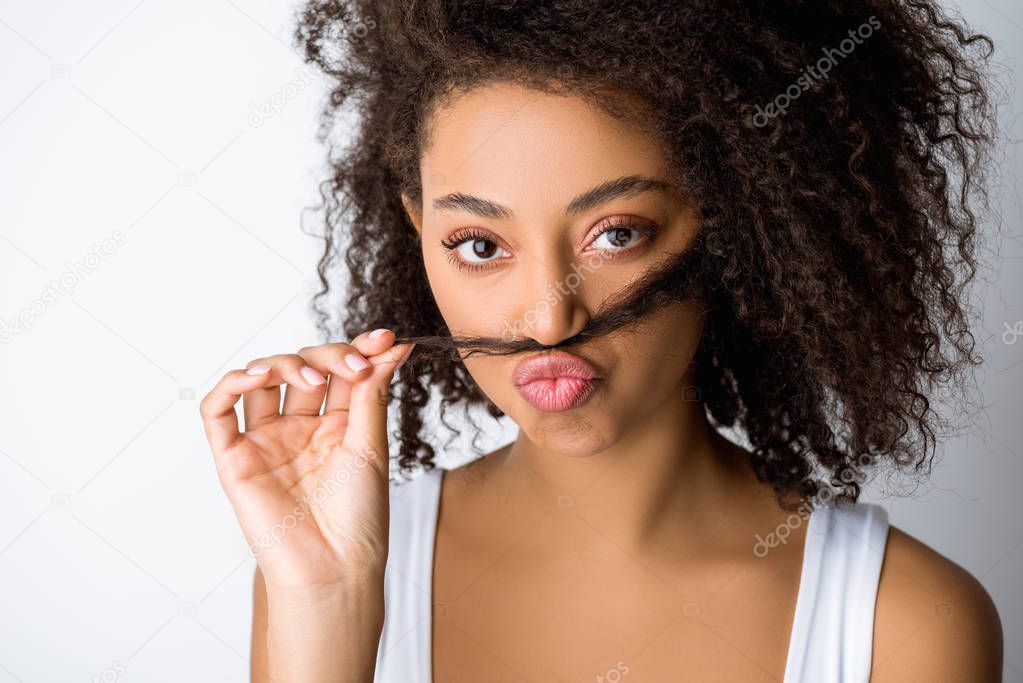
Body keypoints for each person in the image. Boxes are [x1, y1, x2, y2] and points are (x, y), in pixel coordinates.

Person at [199, 1, 1005, 680]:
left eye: (615, 234)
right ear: (419, 230)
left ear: (733, 218)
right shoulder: (332, 562)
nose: (549, 321)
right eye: (479, 244)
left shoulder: (905, 626)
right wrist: (326, 615)